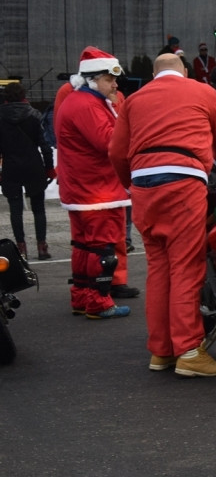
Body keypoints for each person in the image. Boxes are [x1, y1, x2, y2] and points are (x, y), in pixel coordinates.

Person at [109, 53, 216, 377]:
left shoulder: (133, 100)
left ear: (154, 74)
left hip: (143, 187)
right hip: (183, 180)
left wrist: (131, 185)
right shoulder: (202, 91)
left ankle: (161, 352)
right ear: (183, 72)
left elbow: (117, 151)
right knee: (185, 266)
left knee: (159, 268)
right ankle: (190, 350)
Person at [56, 46, 138, 319]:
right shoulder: (88, 105)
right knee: (102, 246)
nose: (115, 84)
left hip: (85, 189)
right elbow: (110, 142)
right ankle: (98, 302)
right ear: (93, 79)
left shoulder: (79, 101)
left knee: (84, 245)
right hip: (97, 190)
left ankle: (82, 297)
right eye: (109, 79)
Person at [0, 82, 56, 260]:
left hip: (10, 165)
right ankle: (42, 247)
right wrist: (49, 169)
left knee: (15, 210)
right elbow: (45, 146)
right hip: (33, 165)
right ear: (24, 95)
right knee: (38, 209)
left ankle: (20, 249)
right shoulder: (34, 115)